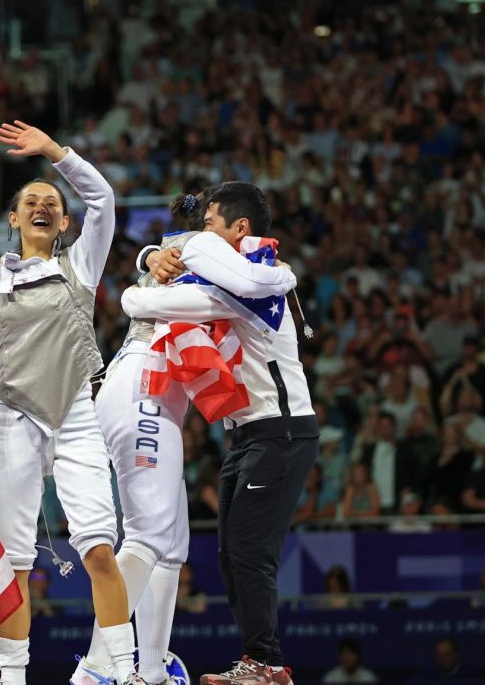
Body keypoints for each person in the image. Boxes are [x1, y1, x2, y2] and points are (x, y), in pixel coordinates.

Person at [0, 121, 137, 685]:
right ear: (13, 219)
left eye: (51, 204)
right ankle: (14, 679)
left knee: (100, 552)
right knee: (12, 564)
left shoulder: (80, 266)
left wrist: (56, 154)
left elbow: (103, 199)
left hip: (77, 416)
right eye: (29, 201)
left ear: (63, 223)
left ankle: (129, 672)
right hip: (14, 421)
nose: (41, 207)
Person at [75, 190, 296, 685]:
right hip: (143, 387)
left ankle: (151, 670)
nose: (208, 233)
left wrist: (149, 258)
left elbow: (159, 263)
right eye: (207, 223)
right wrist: (283, 273)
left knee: (172, 545)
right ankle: (96, 668)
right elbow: (164, 279)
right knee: (151, 536)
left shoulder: (203, 256)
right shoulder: (203, 255)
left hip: (154, 399)